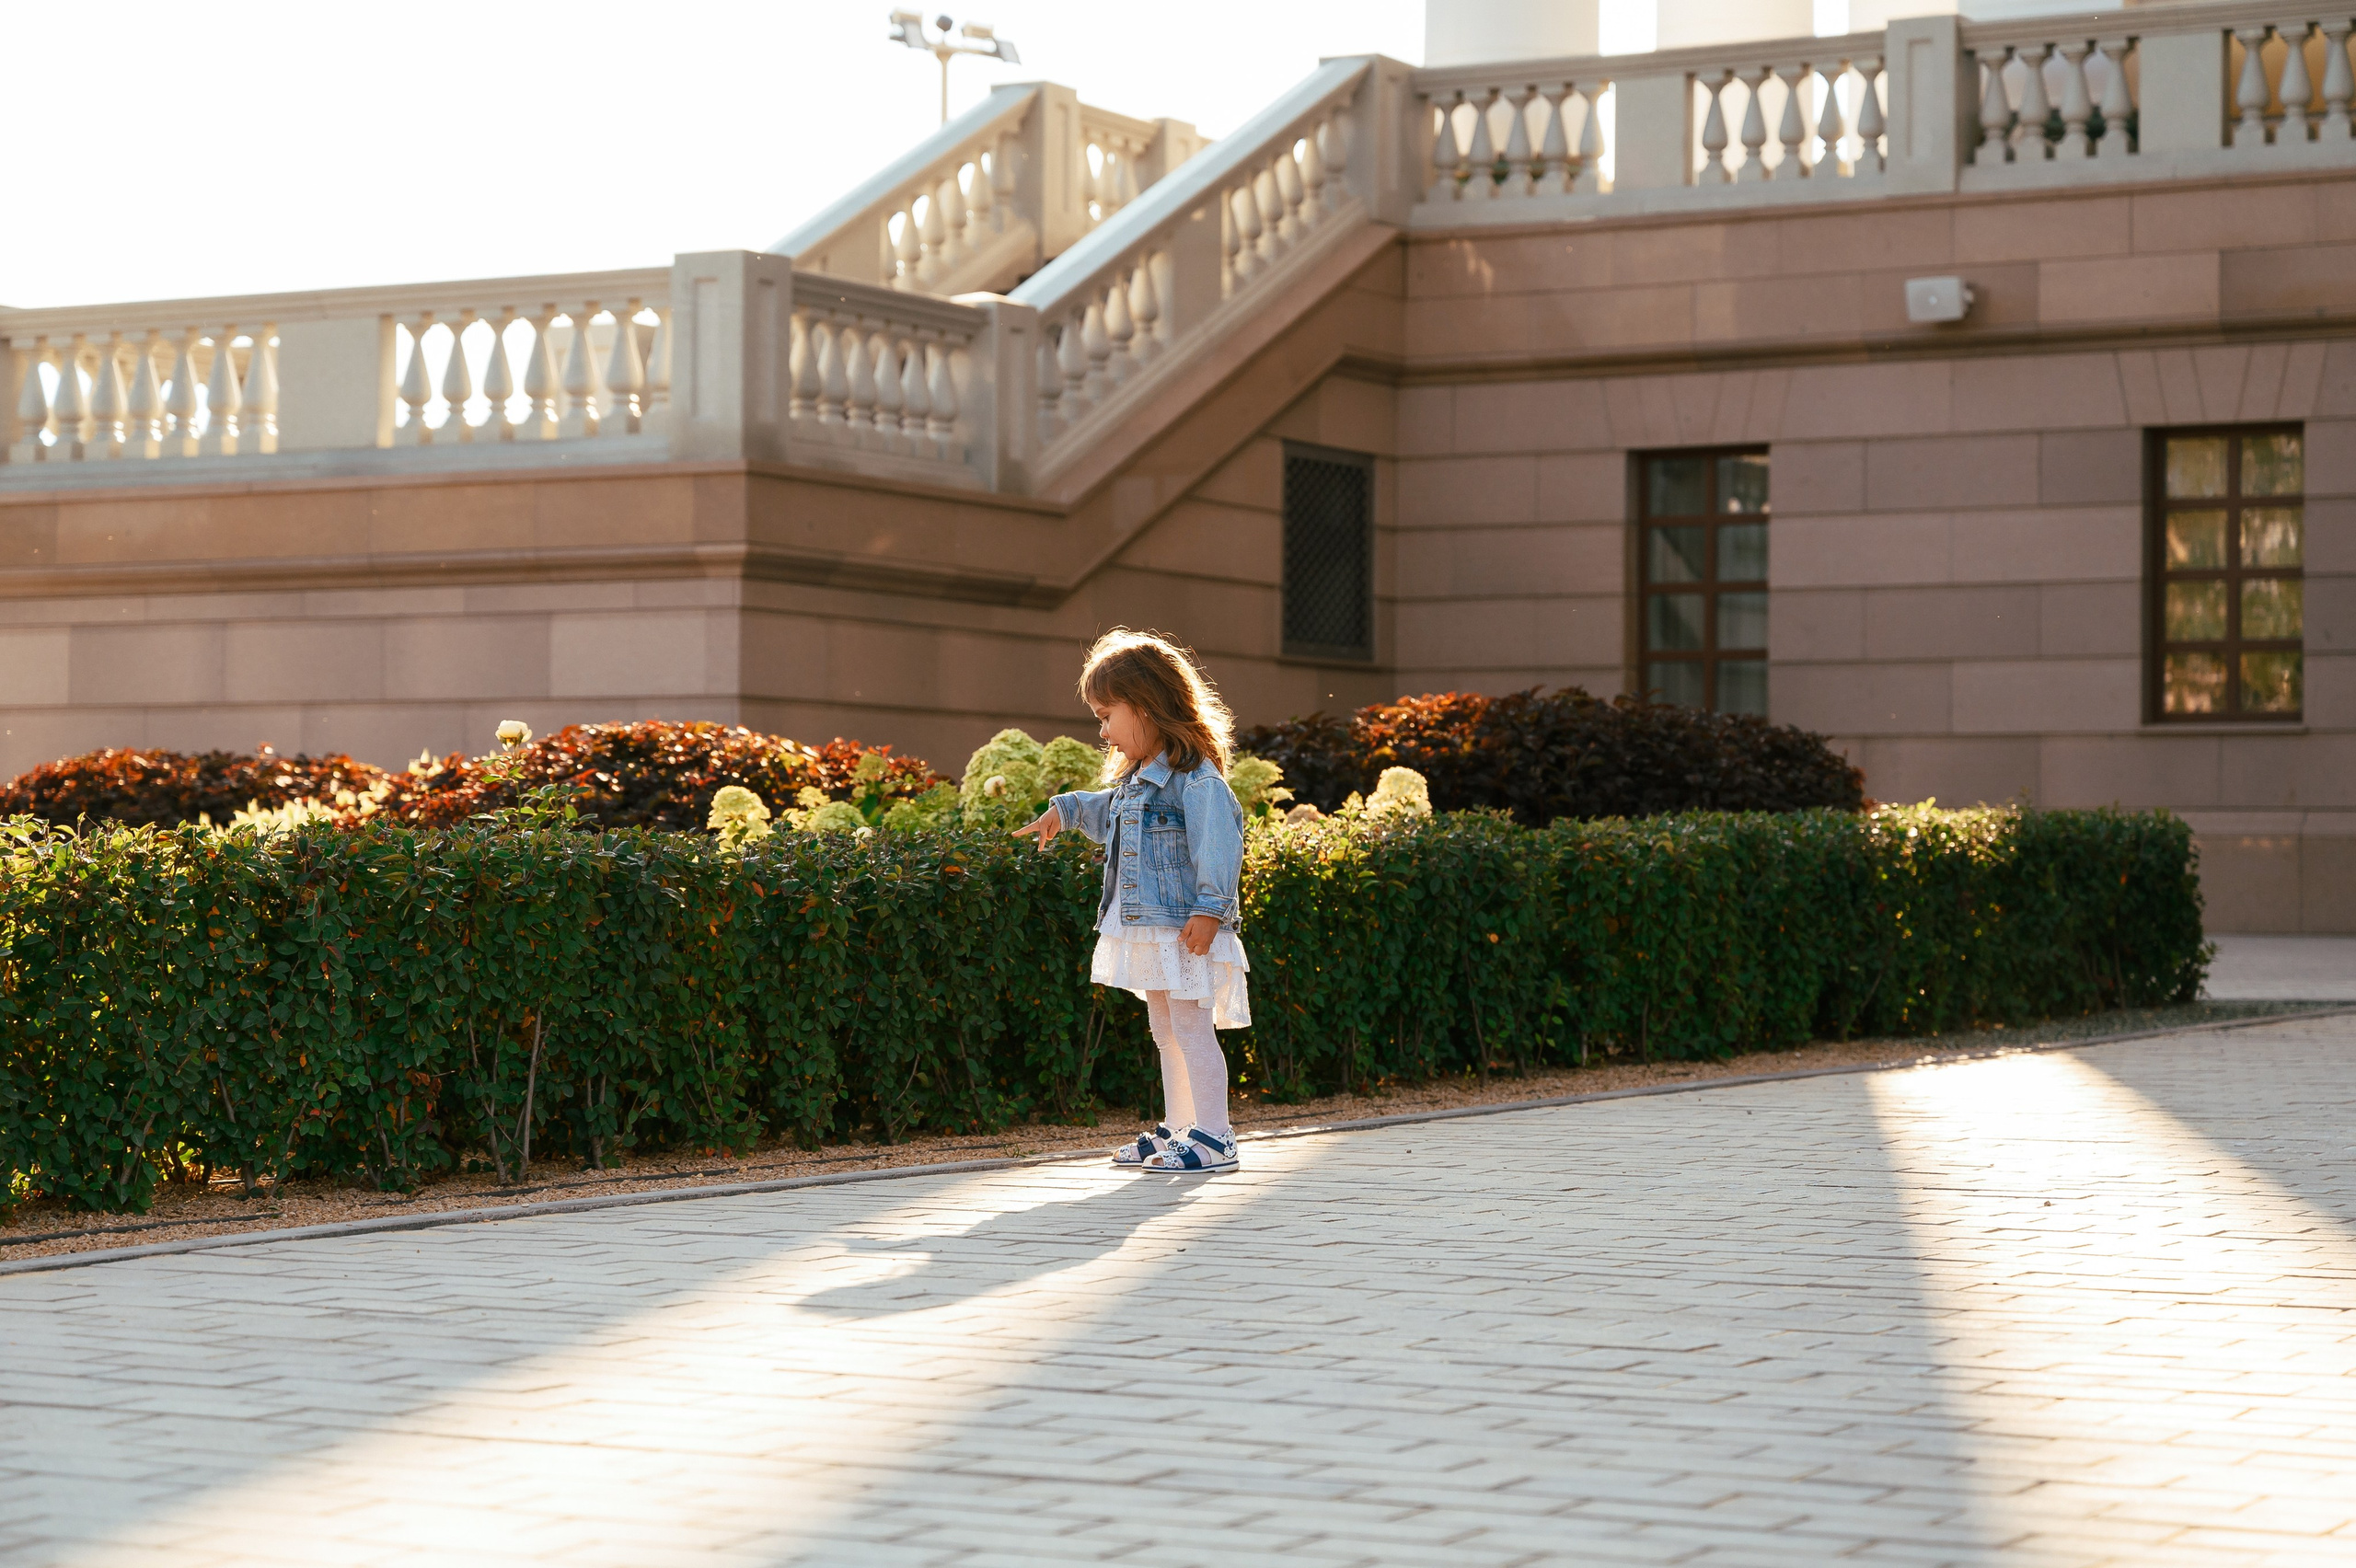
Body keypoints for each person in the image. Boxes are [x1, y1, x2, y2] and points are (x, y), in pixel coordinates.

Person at [1011, 628, 1249, 1173]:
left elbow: (1219, 848)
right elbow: (1112, 813)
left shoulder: (1196, 782)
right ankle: (1181, 1129)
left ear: (1145, 707)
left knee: (1192, 1027)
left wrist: (1211, 911)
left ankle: (1216, 1136)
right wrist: (1067, 809)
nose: (1103, 730)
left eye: (1106, 714)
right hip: (1155, 928)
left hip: (1185, 925)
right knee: (1166, 1029)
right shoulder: (1139, 780)